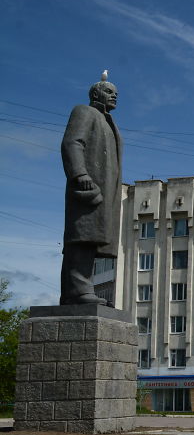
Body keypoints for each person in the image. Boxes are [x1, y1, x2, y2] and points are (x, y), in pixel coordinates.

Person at [60, 71, 123, 306]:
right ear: (95, 93)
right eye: (109, 92)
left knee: (92, 239)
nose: (114, 96)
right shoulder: (84, 111)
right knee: (82, 236)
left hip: (104, 190)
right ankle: (76, 290)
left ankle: (80, 288)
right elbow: (72, 142)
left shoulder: (108, 122)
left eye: (116, 94)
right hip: (88, 186)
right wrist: (79, 174)